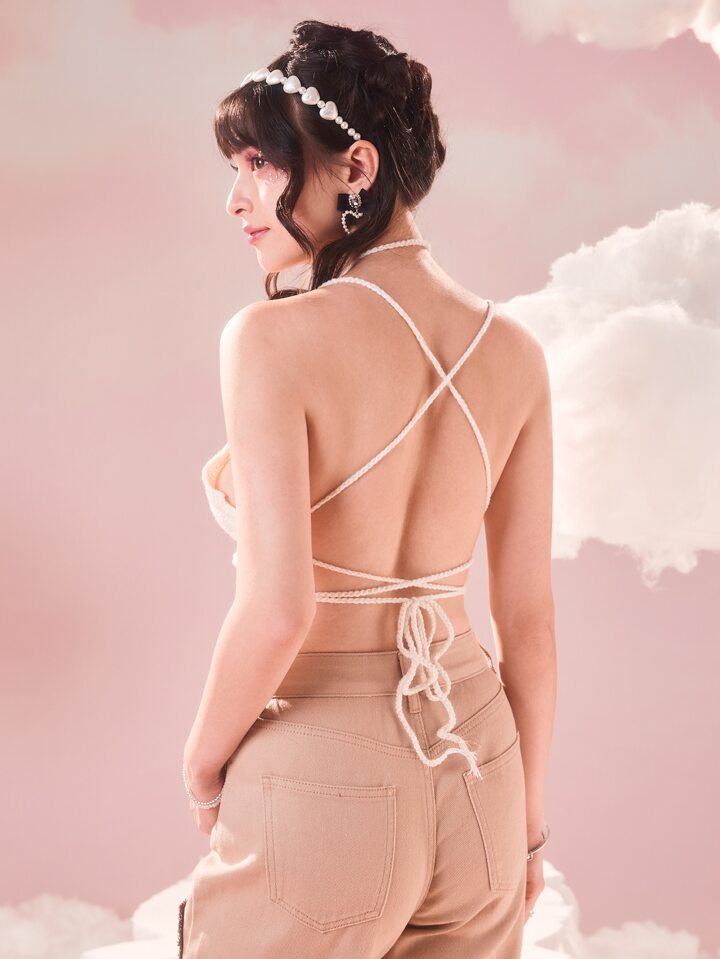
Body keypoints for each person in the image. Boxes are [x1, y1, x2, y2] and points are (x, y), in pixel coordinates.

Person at [178, 18, 555, 959]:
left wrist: (202, 763)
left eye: (260, 163)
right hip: (483, 770)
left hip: (322, 778)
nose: (236, 199)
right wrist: (526, 828)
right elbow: (528, 622)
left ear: (357, 166)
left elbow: (278, 610)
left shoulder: (269, 340)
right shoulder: (515, 352)